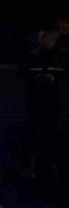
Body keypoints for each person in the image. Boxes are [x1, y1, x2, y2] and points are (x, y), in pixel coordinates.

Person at [18, 26, 67, 193]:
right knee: (35, 136)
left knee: (51, 137)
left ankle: (47, 172)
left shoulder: (61, 54)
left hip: (54, 103)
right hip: (37, 102)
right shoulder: (35, 54)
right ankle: (34, 171)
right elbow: (23, 73)